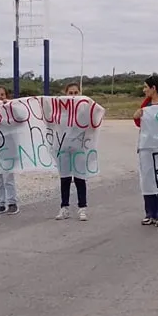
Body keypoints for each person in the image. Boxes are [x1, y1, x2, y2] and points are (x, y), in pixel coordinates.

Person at [133, 74, 158, 227]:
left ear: (154, 88)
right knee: (147, 179)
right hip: (146, 147)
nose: (144, 90)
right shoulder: (146, 104)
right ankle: (150, 213)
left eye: (146, 87)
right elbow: (140, 124)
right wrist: (137, 116)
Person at [55, 83, 89, 221]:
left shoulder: (85, 109)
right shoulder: (60, 110)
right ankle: (64, 207)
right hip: (63, 147)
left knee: (80, 178)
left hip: (79, 148)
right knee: (65, 178)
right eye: (70, 93)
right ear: (66, 93)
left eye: (76, 92)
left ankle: (82, 208)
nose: (73, 95)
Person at [0, 86, 19, 215]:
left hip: (8, 149)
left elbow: (18, 121)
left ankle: (12, 203)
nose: (0, 97)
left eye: (2, 94)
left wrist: (8, 107)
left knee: (8, 178)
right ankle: (0, 203)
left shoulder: (12, 109)